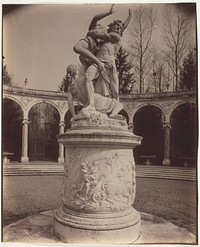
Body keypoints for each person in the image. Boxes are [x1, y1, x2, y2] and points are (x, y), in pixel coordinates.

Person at [73, 6, 132, 111]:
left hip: (110, 66)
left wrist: (130, 16)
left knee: (115, 92)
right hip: (98, 63)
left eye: (120, 28)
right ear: (111, 26)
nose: (118, 28)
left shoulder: (115, 37)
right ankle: (91, 104)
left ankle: (115, 110)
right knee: (88, 77)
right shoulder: (101, 41)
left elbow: (97, 33)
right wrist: (108, 13)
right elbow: (95, 19)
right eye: (116, 26)